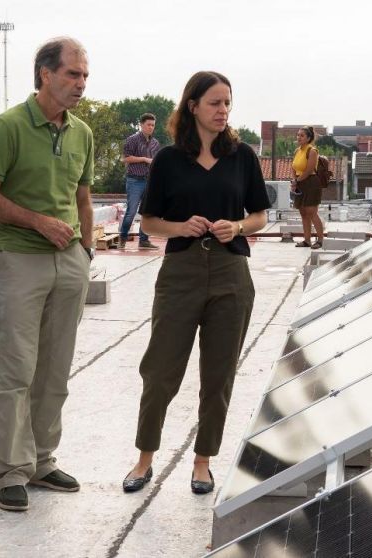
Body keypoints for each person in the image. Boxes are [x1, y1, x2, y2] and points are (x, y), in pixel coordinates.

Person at [121, 71, 270, 495]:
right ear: (192, 106)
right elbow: (149, 222)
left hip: (230, 273)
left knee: (218, 374)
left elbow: (259, 215)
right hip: (180, 273)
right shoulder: (168, 159)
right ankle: (144, 458)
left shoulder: (242, 156)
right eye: (214, 103)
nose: (223, 111)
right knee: (160, 369)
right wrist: (181, 226)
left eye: (227, 103)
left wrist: (237, 226)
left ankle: (203, 462)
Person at [0, 37, 94, 513]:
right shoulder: (10, 126)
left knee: (56, 370)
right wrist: (38, 221)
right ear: (45, 74)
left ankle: (42, 461)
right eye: (72, 74)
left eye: (84, 75)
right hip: (20, 257)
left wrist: (85, 249)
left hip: (70, 264)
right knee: (16, 369)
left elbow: (83, 196)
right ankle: (11, 472)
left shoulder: (81, 132)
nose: (81, 84)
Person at [120, 113, 161, 250]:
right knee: (131, 212)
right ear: (141, 125)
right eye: (148, 124)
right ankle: (122, 239)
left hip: (149, 181)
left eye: (153, 125)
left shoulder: (155, 143)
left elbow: (155, 162)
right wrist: (143, 159)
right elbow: (125, 158)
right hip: (134, 181)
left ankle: (144, 240)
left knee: (147, 212)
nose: (151, 127)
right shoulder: (132, 140)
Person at [290, 126, 325, 248]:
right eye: (298, 135)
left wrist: (297, 181)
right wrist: (295, 180)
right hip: (300, 182)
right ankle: (307, 240)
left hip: (311, 183)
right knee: (303, 212)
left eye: (302, 135)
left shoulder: (312, 151)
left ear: (308, 138)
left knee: (312, 212)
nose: (298, 137)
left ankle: (320, 240)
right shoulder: (297, 151)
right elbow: (294, 167)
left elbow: (309, 170)